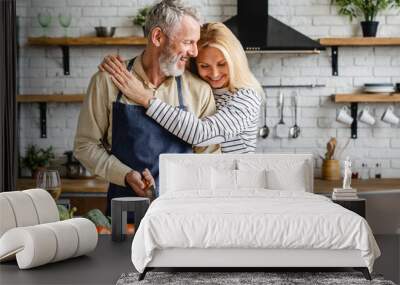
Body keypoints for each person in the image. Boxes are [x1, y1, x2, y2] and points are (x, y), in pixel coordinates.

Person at [73, 0, 220, 217]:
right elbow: (85, 146)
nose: (195, 52)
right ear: (158, 37)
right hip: (125, 213)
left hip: (183, 215)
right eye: (188, 42)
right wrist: (124, 174)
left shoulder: (199, 90)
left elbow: (210, 160)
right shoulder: (107, 81)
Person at [99, 22, 263, 153]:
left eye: (222, 64)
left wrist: (146, 98)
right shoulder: (197, 88)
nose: (214, 74)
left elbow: (202, 135)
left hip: (231, 186)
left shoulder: (246, 98)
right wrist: (124, 67)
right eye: (205, 65)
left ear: (235, 60)